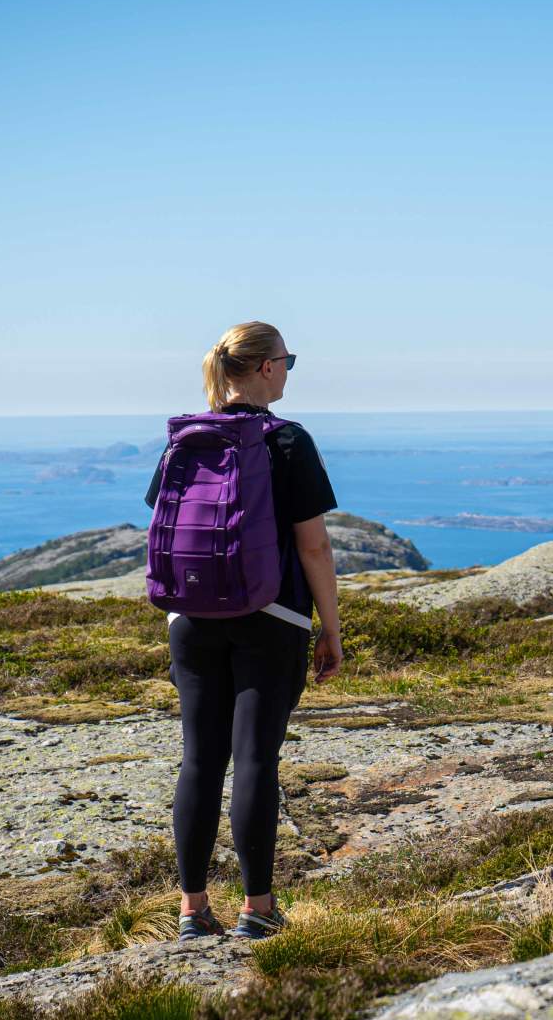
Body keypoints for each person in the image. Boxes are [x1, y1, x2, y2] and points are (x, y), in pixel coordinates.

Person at [147, 320, 344, 941]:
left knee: (200, 760)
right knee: (256, 757)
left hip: (191, 622)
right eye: (286, 360)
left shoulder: (189, 437)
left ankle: (191, 910)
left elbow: (164, 517)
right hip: (271, 619)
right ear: (263, 368)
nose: (288, 369)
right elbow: (313, 548)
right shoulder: (287, 441)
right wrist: (330, 629)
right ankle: (257, 909)